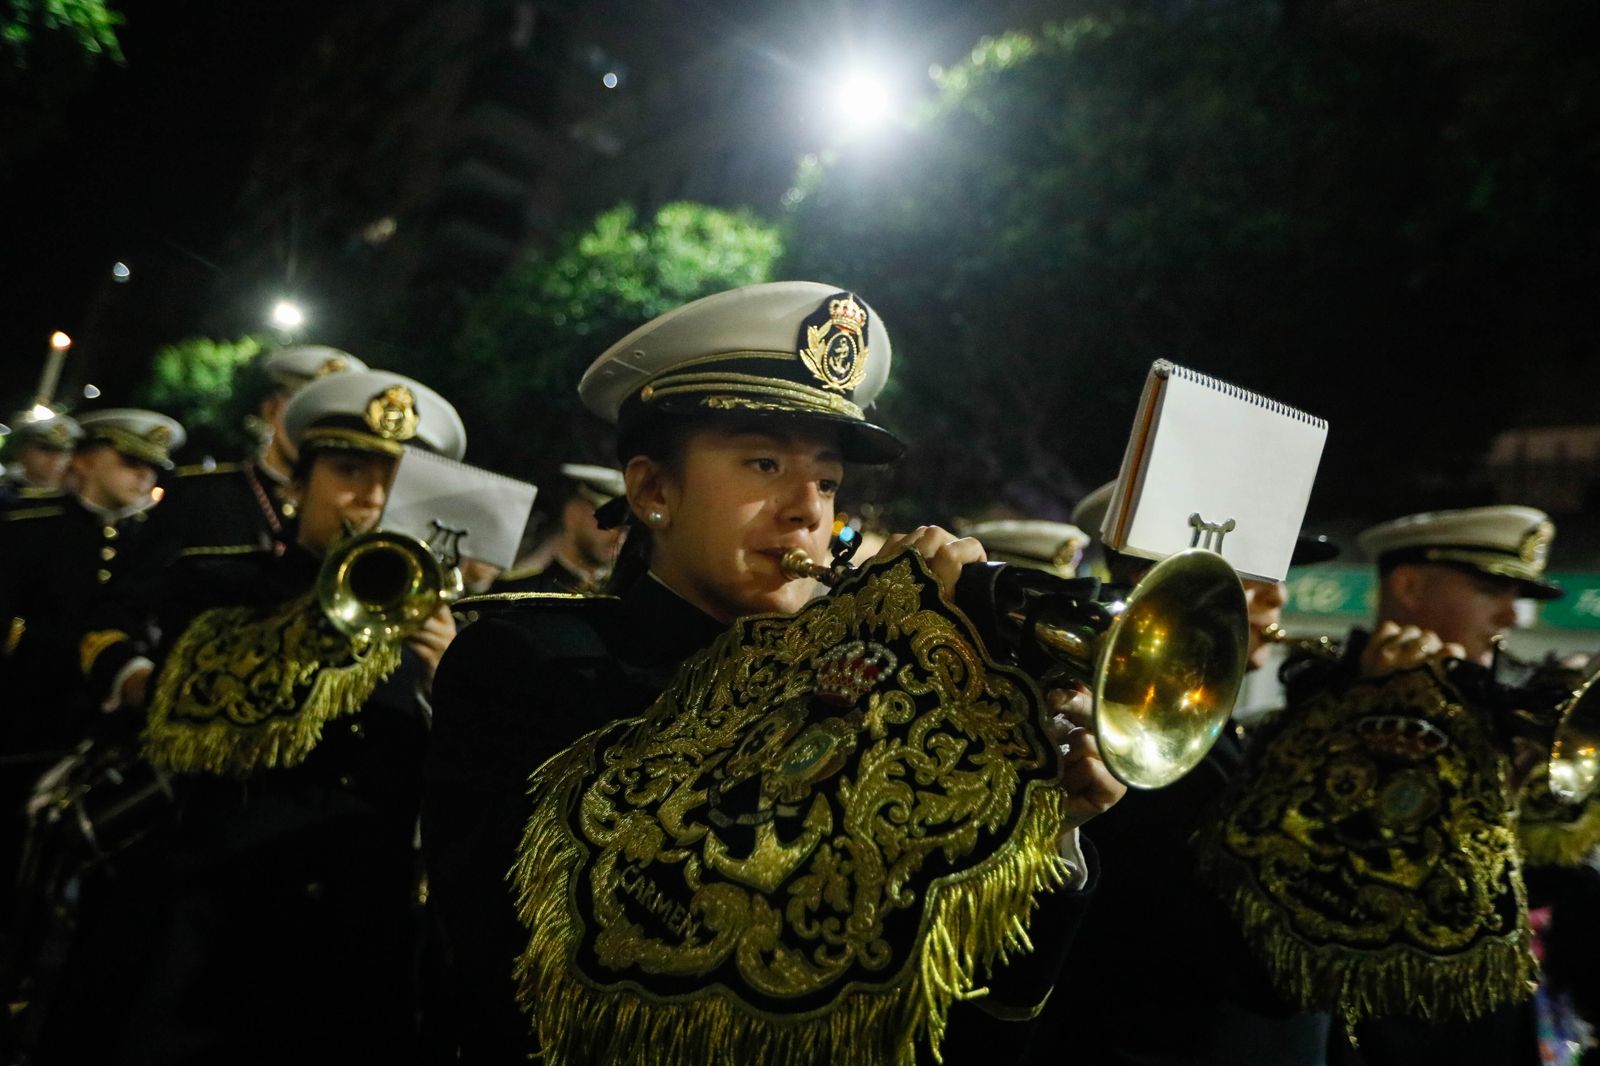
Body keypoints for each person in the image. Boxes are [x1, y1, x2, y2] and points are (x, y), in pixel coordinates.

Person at [422, 282, 1124, 1065]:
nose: (807, 510)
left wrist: (1042, 833)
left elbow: (947, 1021)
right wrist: (886, 659)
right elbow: (589, 947)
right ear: (653, 490)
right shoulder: (530, 660)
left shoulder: (845, 681)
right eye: (764, 463)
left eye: (827, 481)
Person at [32, 369, 463, 1064]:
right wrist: (333, 616)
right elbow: (197, 718)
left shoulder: (441, 618)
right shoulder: (218, 584)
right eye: (349, 471)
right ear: (299, 486)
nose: (373, 499)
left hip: (357, 937)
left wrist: (450, 679)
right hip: (212, 923)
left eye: (395, 483)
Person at [1197, 505, 1564, 1066]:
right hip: (1377, 1033)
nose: (1511, 616)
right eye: (1493, 589)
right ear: (1410, 584)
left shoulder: (1494, 709)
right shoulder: (1319, 702)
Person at [1017, 481, 1339, 1065]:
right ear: (1170, 595)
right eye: (1250, 574)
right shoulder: (1135, 750)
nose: (1278, 597)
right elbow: (1279, 963)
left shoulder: (1209, 741)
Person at [77, 345, 367, 713]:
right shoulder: (199, 495)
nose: (320, 430)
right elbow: (119, 610)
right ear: (271, 411)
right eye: (307, 412)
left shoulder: (359, 513)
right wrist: (134, 678)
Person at [0, 409, 182, 945]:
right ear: (84, 459)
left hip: (104, 733)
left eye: (152, 467)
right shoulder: (28, 528)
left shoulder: (157, 547)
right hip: (25, 721)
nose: (143, 476)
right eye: (129, 461)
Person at [491, 462, 625, 593]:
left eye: (624, 527)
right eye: (608, 522)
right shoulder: (521, 593)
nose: (619, 536)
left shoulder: (624, 594)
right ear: (573, 515)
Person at [0, 411, 81, 507]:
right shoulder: (5, 498)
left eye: (64, 450)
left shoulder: (79, 499)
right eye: (46, 449)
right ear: (20, 452)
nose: (56, 458)